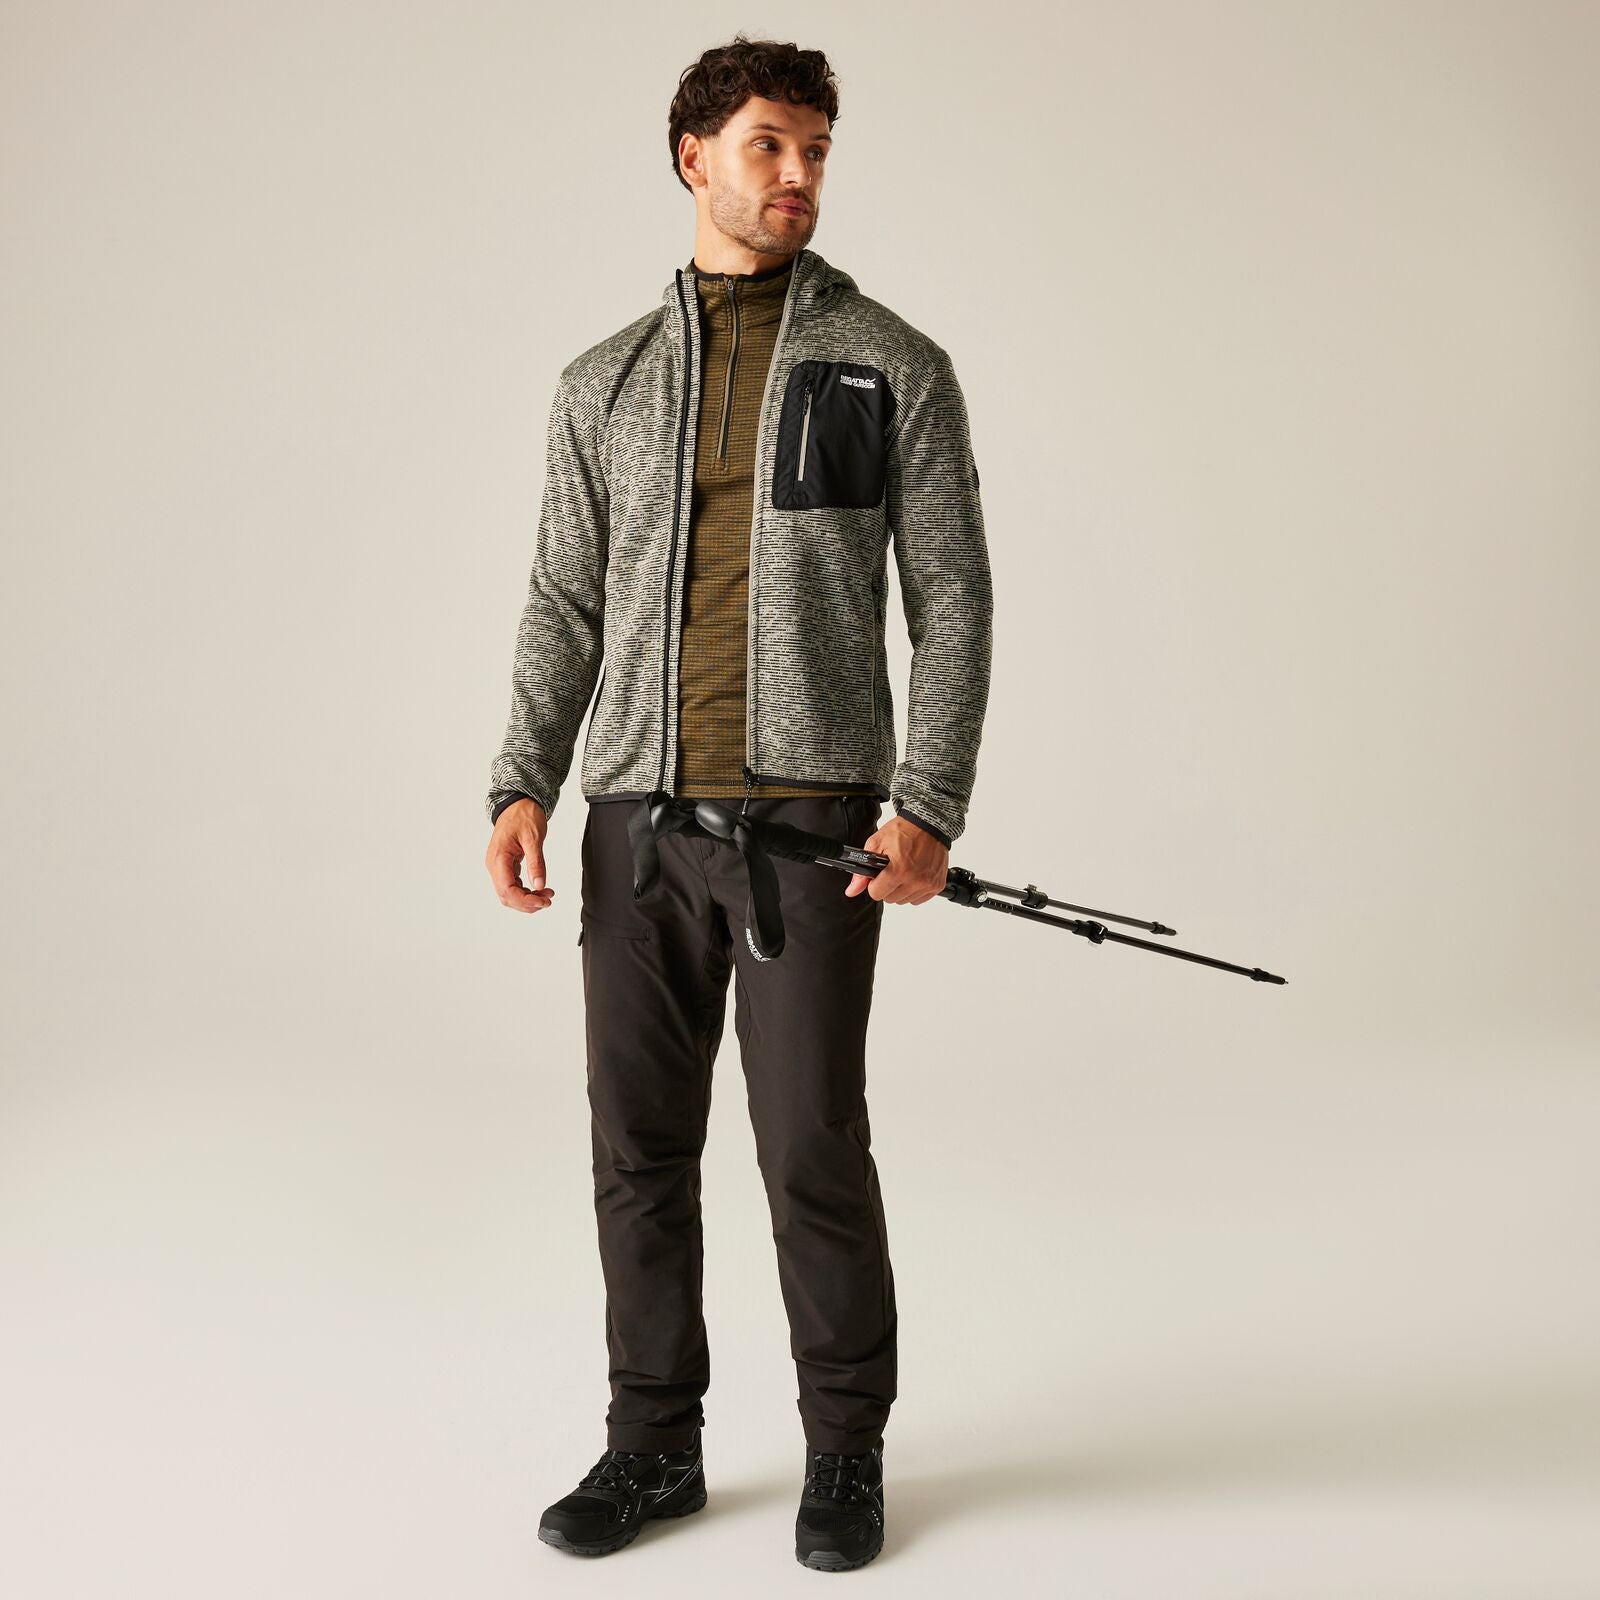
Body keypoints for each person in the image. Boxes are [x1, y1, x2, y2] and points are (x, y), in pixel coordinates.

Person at [484, 33, 992, 1572]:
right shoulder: (602, 382)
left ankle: (846, 1450)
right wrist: (522, 775)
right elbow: (564, 599)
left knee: (809, 1146)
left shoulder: (891, 364)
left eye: (817, 149)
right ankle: (654, 1446)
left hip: (812, 831)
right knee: (636, 1150)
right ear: (692, 155)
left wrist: (928, 800)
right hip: (634, 830)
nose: (798, 175)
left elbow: (953, 597)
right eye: (770, 144)